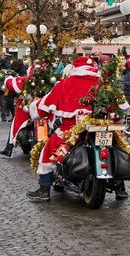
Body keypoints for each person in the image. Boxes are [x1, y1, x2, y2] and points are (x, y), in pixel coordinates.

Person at [26, 56, 102, 202]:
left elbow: (45, 104)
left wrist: (34, 109)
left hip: (70, 129)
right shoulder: (102, 83)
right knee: (115, 146)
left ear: (75, 68)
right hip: (100, 126)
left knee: (48, 152)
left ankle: (44, 189)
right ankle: (120, 188)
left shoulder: (66, 83)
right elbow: (118, 105)